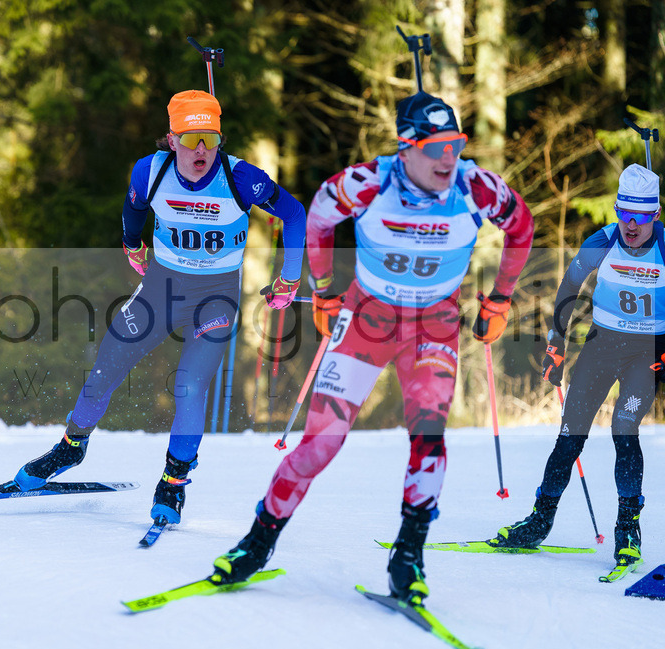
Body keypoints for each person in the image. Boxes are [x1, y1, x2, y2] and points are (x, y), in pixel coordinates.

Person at [209, 91, 534, 603]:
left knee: (428, 435)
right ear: (406, 148)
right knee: (321, 442)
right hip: (366, 320)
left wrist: (500, 300)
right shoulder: (367, 183)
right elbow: (316, 218)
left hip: (434, 327)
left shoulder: (475, 186)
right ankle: (256, 543)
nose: (448, 159)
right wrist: (324, 290)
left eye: (456, 145)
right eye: (435, 148)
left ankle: (408, 557)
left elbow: (522, 225)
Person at [12, 90, 306, 526]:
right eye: (190, 140)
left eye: (209, 137)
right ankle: (71, 448)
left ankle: (172, 483)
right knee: (107, 365)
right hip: (162, 288)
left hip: (216, 297)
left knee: (189, 385)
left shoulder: (242, 178)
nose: (201, 150)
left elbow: (295, 213)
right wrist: (133, 245)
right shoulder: (150, 171)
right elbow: (133, 207)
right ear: (171, 140)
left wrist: (290, 277)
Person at [490, 163, 663, 573]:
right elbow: (569, 289)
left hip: (646, 354)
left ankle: (627, 530)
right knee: (570, 435)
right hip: (601, 347)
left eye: (641, 216)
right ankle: (539, 521)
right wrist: (556, 342)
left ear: (656, 215)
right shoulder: (602, 242)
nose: (631, 224)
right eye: (624, 213)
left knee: (624, 427)